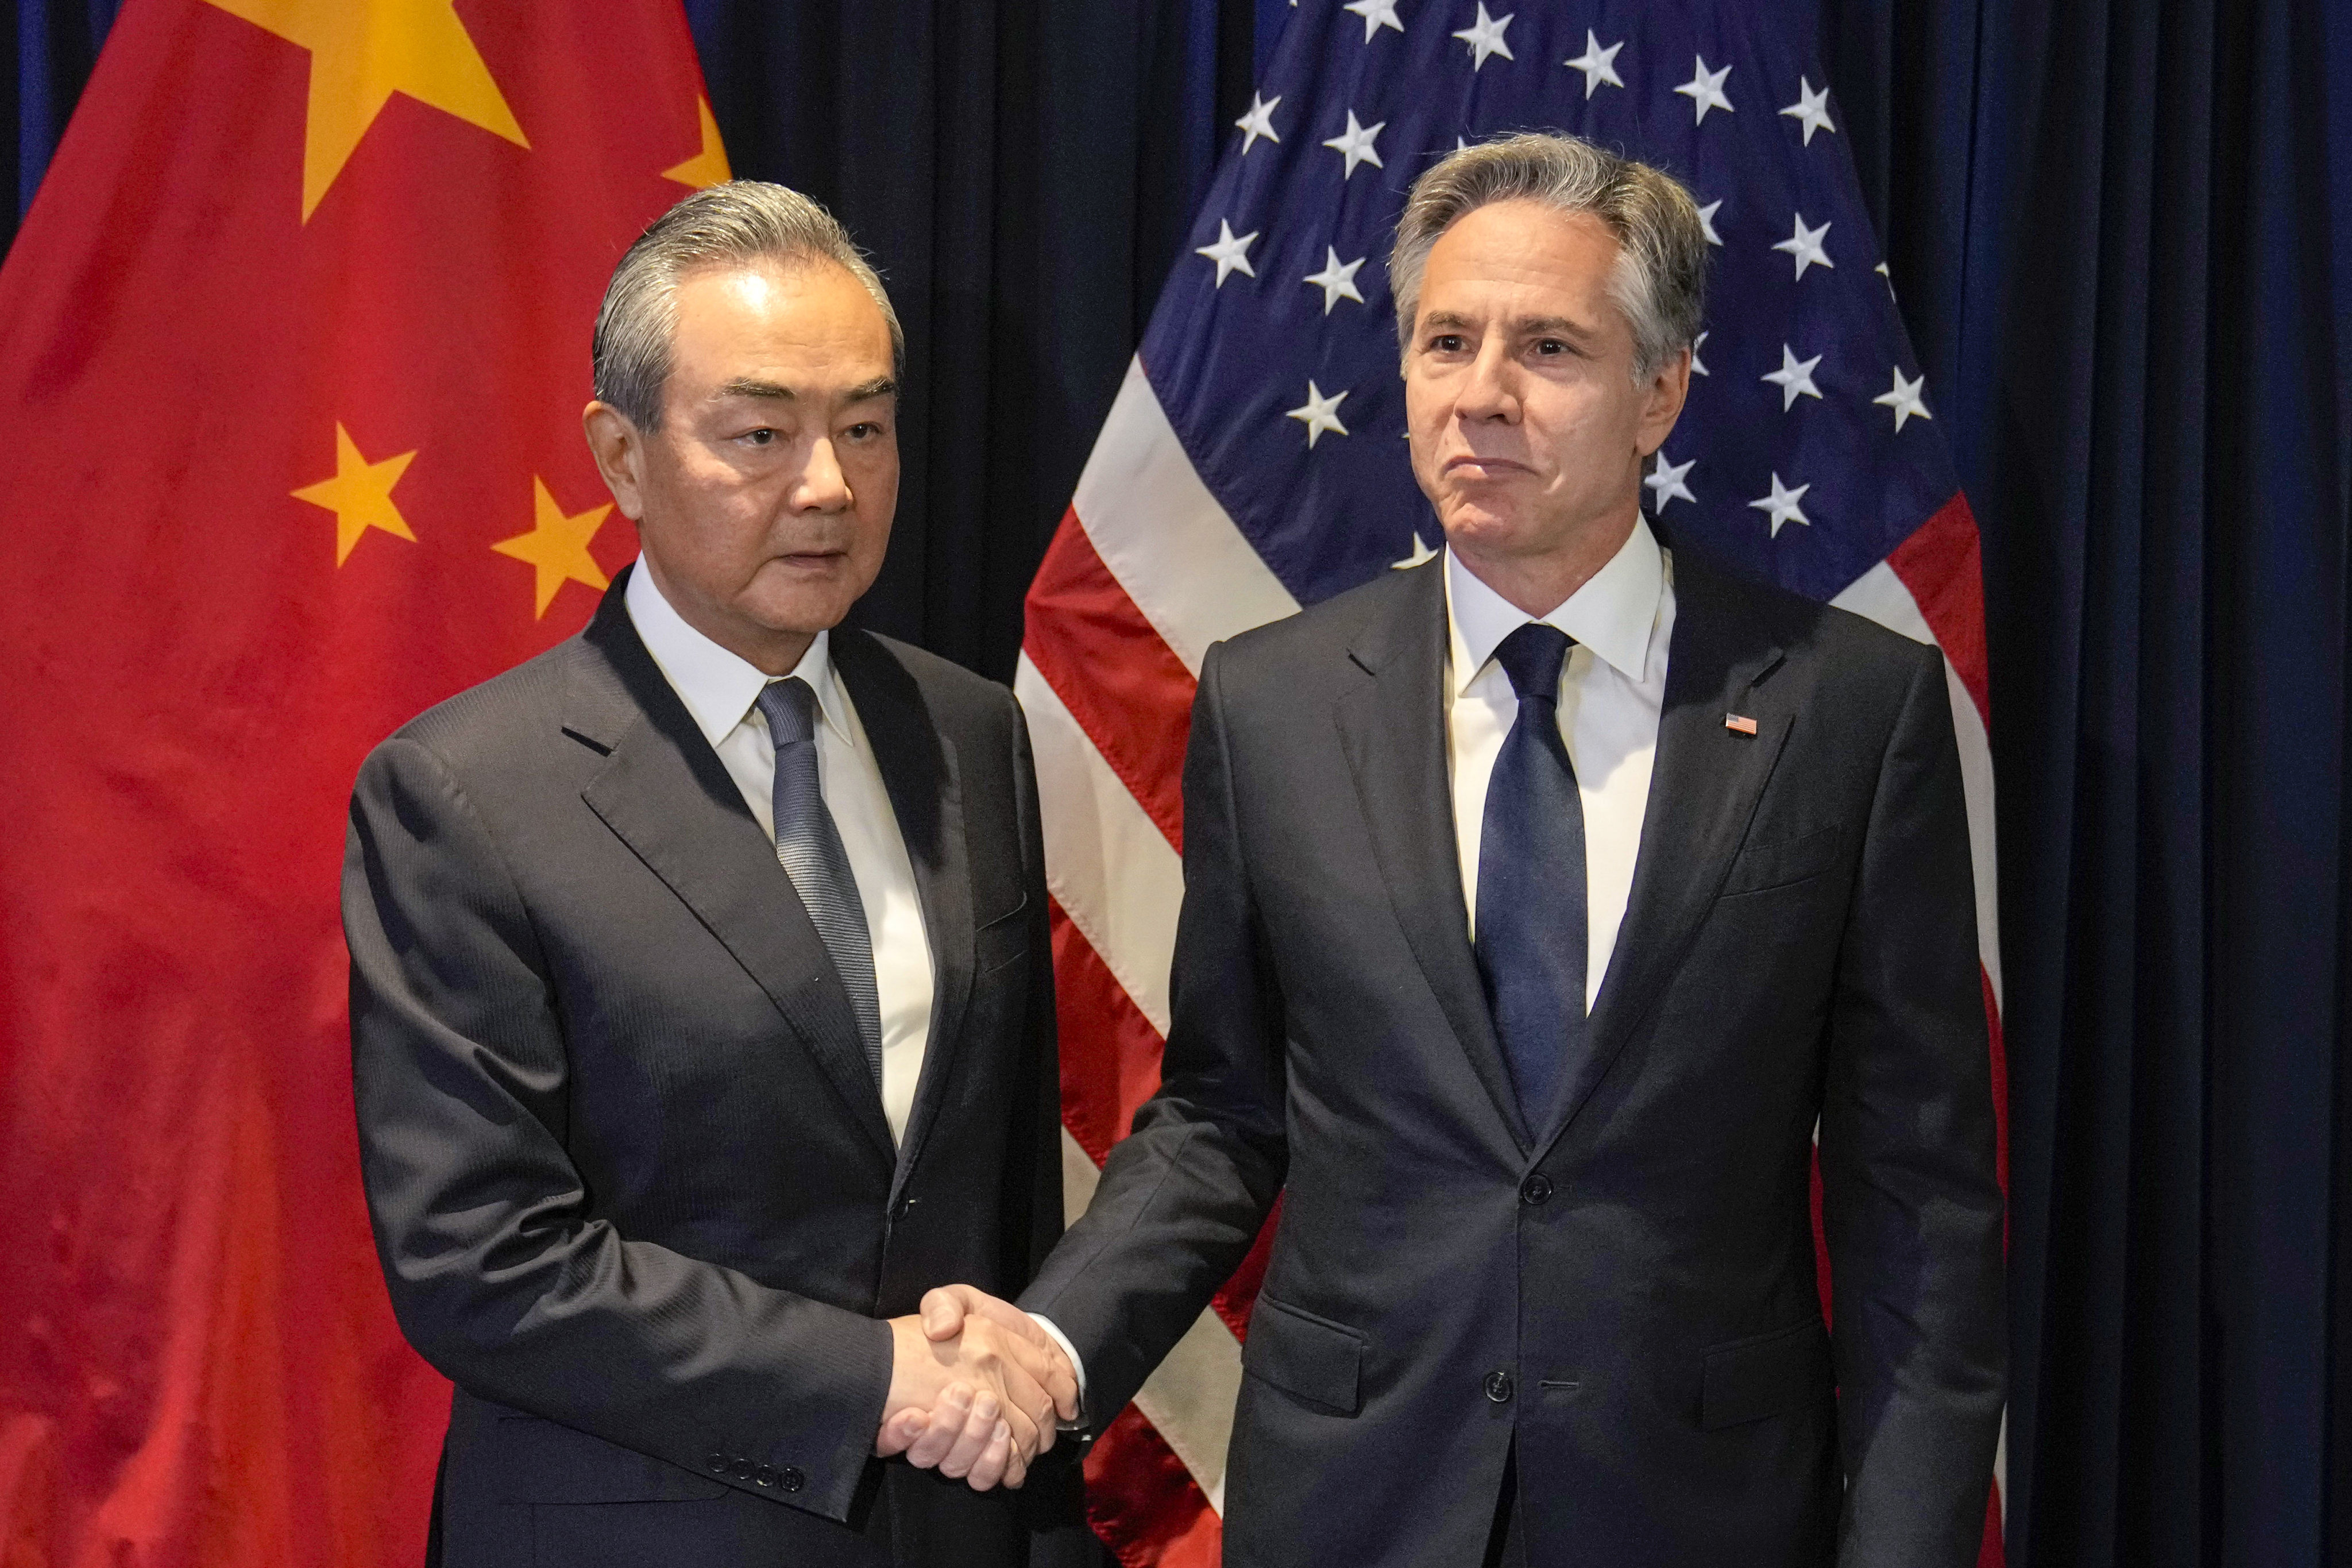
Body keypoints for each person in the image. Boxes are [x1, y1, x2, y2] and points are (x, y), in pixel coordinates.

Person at [923, 133, 2006, 1566]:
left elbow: (1913, 1202)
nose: (1478, 396)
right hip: (1355, 1505)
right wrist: (1056, 1344)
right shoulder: (1272, 700)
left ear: (1660, 392)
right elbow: (1223, 1115)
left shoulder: (1848, 709)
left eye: (1547, 347)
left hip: (1700, 1512)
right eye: (1444, 341)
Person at [343, 181, 1085, 1568]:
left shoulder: (969, 729)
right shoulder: (463, 791)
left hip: (955, 1527)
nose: (827, 485)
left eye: (864, 428)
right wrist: (868, 1381)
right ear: (621, 459)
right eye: (760, 433)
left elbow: (991, 1181)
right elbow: (480, 1260)